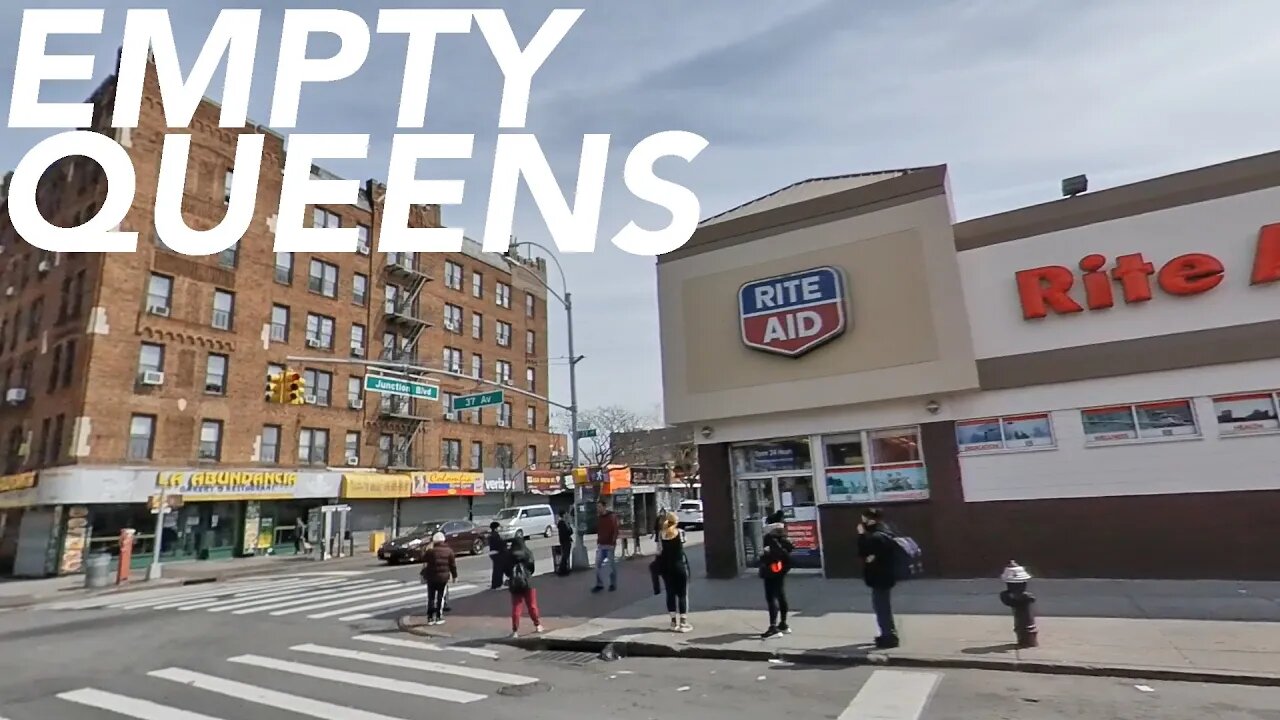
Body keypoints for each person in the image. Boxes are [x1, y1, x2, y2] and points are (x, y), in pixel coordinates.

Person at [857, 507, 899, 648]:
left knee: (881, 608)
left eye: (864, 518)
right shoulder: (886, 532)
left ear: (871, 519)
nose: (862, 521)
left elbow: (864, 553)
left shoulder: (876, 537)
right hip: (886, 576)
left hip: (879, 577)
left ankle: (888, 637)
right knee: (884, 607)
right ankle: (888, 634)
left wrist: (861, 535)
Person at [758, 510, 795, 639]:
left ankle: (773, 627)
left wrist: (764, 557)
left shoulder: (769, 537)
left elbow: (771, 553)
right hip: (782, 569)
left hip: (771, 570)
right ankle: (783, 624)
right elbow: (790, 549)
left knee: (771, 598)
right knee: (781, 595)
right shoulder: (783, 534)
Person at [655, 512, 692, 632]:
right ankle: (683, 623)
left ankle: (673, 622)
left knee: (670, 593)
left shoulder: (661, 534)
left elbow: (659, 551)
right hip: (680, 566)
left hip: (667, 568)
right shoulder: (680, 533)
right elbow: (684, 543)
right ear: (676, 522)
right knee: (682, 594)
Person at [505, 535, 544, 638]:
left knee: (516, 607)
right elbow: (532, 568)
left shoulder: (509, 555)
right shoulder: (527, 553)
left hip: (515, 584)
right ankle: (537, 625)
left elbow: (506, 571)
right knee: (532, 605)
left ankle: (515, 631)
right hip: (528, 582)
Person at [419, 532, 457, 626]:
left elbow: (423, 558)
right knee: (441, 597)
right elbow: (453, 565)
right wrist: (454, 576)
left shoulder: (430, 551)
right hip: (443, 578)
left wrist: (426, 548)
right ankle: (439, 617)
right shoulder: (449, 551)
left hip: (431, 577)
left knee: (431, 598)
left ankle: (430, 618)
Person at [591, 501, 620, 593]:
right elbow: (599, 530)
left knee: (611, 566)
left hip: (609, 545)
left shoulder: (612, 517)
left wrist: (613, 543)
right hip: (601, 545)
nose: (598, 509)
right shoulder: (599, 518)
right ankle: (599, 584)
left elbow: (615, 530)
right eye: (597, 507)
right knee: (597, 565)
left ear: (604, 507)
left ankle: (613, 584)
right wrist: (598, 541)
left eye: (599, 507)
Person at [487, 521, 507, 590]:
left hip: (493, 553)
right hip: (497, 553)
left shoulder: (491, 535)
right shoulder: (495, 535)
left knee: (496, 569)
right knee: (499, 570)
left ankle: (494, 584)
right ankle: (498, 584)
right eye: (498, 527)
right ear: (495, 528)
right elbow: (500, 544)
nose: (499, 528)